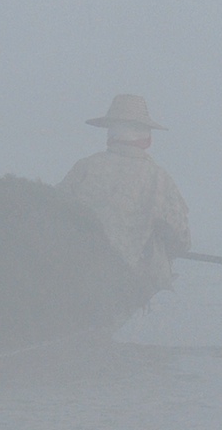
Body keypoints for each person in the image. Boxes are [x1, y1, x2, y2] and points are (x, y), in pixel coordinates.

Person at [59, 94, 191, 290]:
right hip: (129, 283)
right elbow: (181, 239)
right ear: (147, 139)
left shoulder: (84, 168)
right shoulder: (159, 179)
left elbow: (55, 212)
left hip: (76, 274)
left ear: (110, 134)